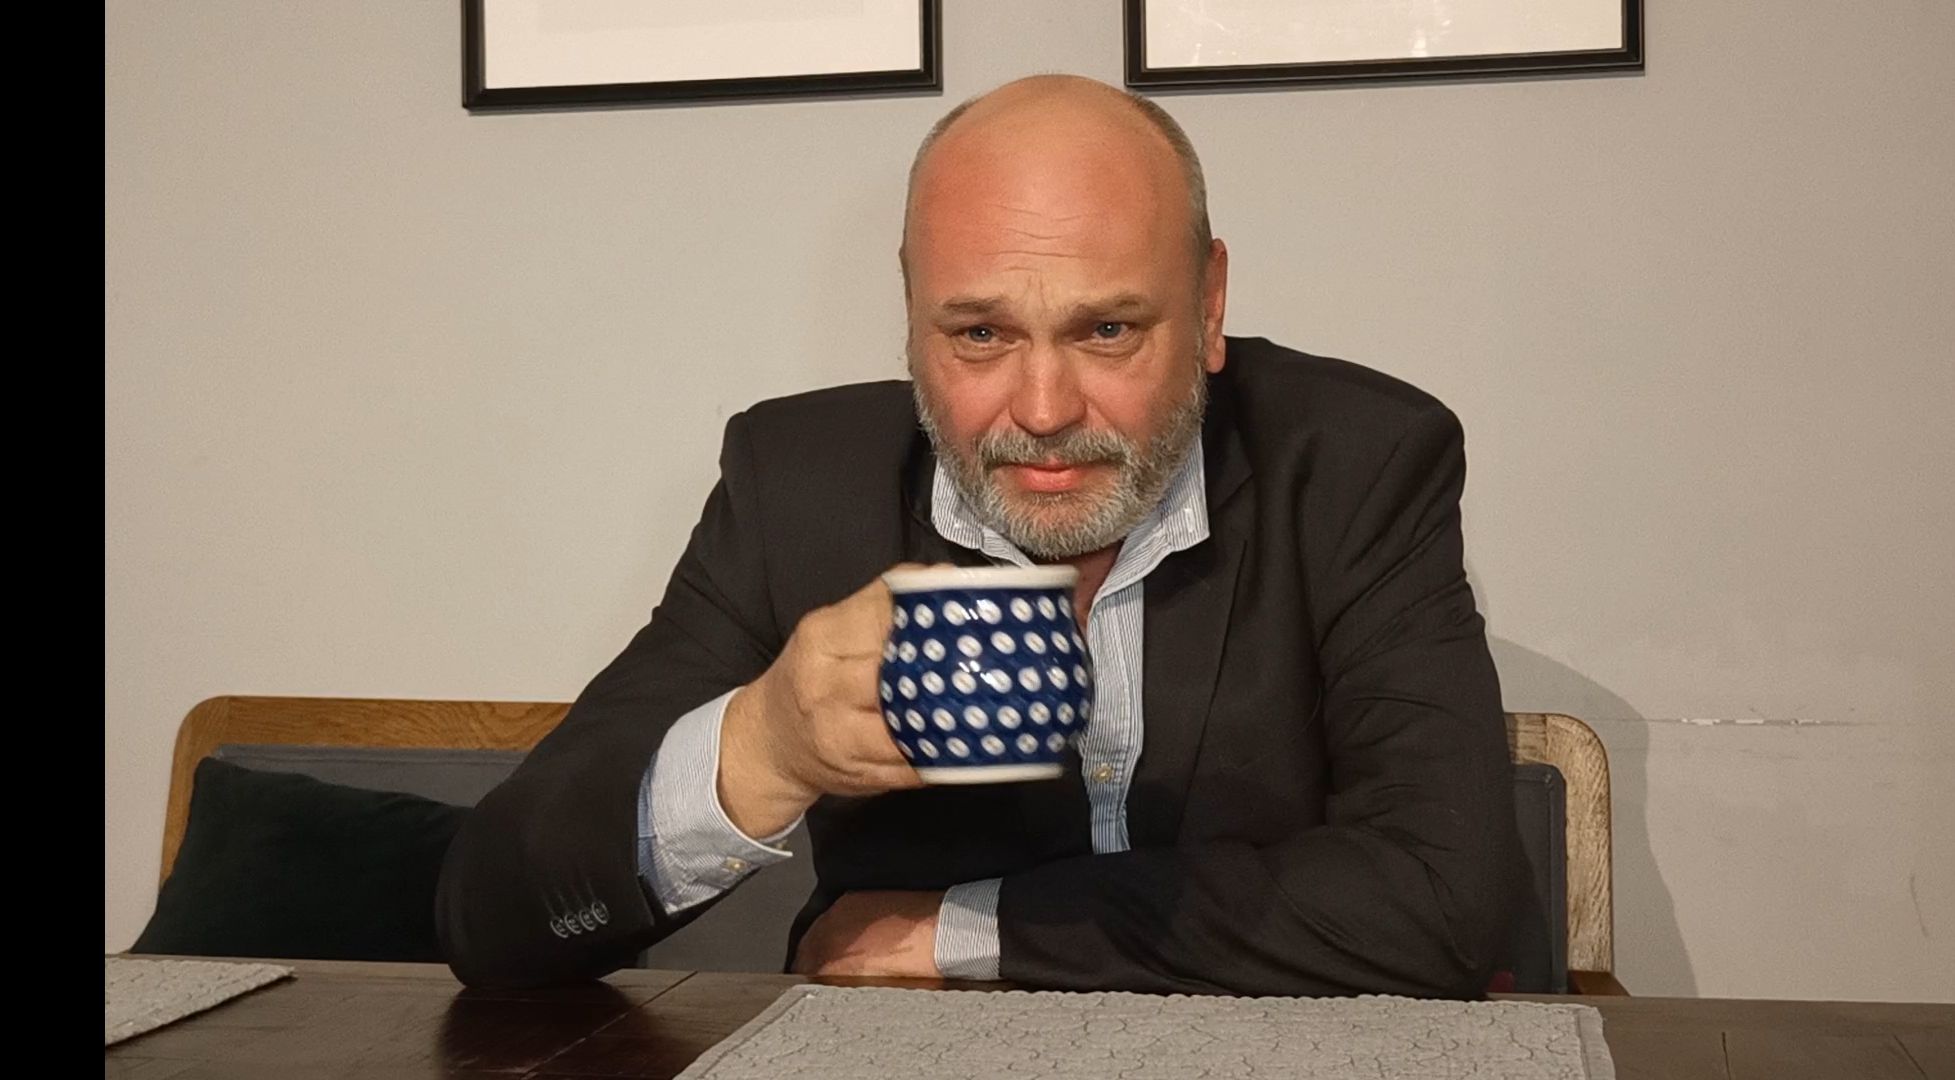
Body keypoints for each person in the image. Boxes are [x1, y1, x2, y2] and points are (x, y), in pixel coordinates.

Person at [436, 74, 1529, 997]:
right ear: (912, 316)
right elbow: (492, 919)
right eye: (979, 334)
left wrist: (969, 930)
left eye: (1108, 329)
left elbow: (1443, 901)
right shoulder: (797, 489)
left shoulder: (1359, 464)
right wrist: (762, 748)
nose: (1043, 409)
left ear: (1208, 308)